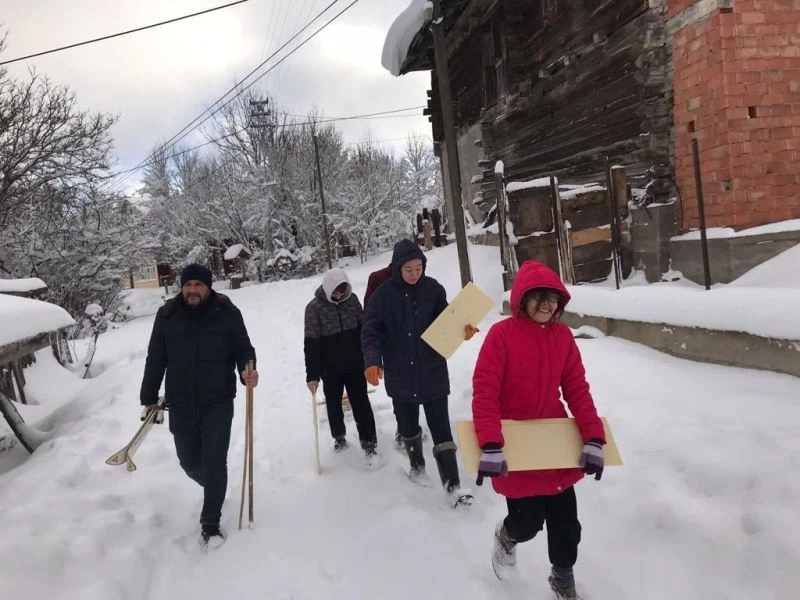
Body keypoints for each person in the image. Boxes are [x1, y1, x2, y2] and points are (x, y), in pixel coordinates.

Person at [471, 260, 606, 598]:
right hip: (514, 444)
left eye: (554, 299)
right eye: (540, 298)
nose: (548, 305)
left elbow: (576, 387)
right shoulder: (501, 335)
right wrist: (489, 443)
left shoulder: (562, 336)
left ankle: (562, 577)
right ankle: (507, 534)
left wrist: (592, 436)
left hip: (554, 440)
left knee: (566, 526)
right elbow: (485, 389)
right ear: (522, 298)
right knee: (528, 523)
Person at [139, 263, 258, 549]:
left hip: (218, 400)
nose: (192, 290)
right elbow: (156, 357)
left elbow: (244, 349)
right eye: (188, 285)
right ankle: (215, 487)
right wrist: (148, 395)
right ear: (181, 287)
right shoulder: (166, 316)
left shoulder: (227, 313)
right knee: (189, 461)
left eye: (198, 285)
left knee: (215, 460)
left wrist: (248, 369)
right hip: (181, 402)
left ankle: (211, 522)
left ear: (208, 287)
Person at [361, 239, 478, 507]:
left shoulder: (433, 289)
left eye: (419, 268)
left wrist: (464, 329)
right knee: (409, 426)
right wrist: (371, 361)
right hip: (400, 374)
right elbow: (371, 332)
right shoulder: (382, 296)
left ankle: (453, 485)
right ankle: (417, 467)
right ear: (397, 268)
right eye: (408, 270)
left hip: (433, 370)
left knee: (440, 428)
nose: (415, 274)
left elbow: (446, 322)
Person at [304, 268, 378, 459]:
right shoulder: (314, 308)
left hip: (355, 364)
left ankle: (369, 442)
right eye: (336, 291)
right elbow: (311, 344)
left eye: (343, 290)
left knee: (361, 402)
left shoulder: (352, 301)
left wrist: (369, 359)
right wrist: (312, 375)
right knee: (334, 405)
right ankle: (339, 436)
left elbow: (365, 330)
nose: (339, 295)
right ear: (328, 288)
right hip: (330, 369)